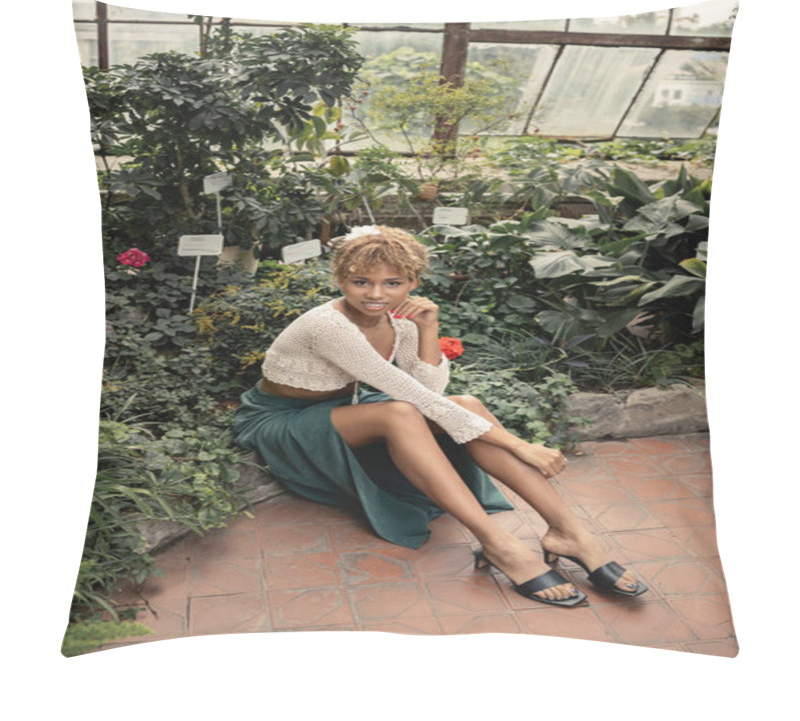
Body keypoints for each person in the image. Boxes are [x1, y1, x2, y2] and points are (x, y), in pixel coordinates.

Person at [234, 225, 647, 606]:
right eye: (361, 282)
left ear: (413, 283)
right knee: (400, 414)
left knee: (465, 404)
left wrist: (428, 329)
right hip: (281, 423)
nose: (376, 294)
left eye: (392, 283)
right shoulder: (330, 326)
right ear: (342, 281)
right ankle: (497, 543)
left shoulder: (403, 321)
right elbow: (409, 394)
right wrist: (518, 443)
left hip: (344, 412)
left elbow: (431, 390)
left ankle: (570, 533)